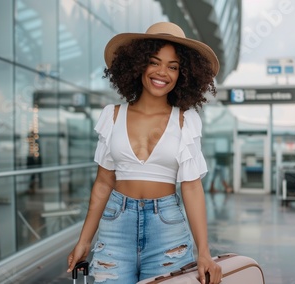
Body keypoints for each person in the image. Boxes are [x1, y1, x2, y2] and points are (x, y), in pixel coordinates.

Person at [67, 22, 222, 284]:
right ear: (138, 64)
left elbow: (192, 188)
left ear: (183, 74)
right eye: (154, 62)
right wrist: (84, 240)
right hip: (115, 225)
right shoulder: (112, 116)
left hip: (167, 230)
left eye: (173, 66)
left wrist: (204, 253)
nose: (163, 72)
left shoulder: (186, 121)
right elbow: (104, 183)